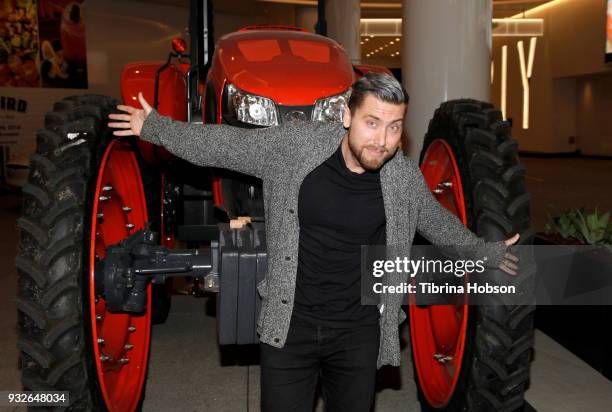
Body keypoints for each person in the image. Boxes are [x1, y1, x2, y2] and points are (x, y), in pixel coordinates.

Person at [108, 72, 520, 412]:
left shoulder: (402, 179)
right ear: (346, 116)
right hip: (291, 328)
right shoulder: (295, 148)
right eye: (371, 123)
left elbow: (436, 223)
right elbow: (226, 145)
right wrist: (156, 128)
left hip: (359, 333)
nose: (382, 140)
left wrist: (486, 252)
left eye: (394, 127)